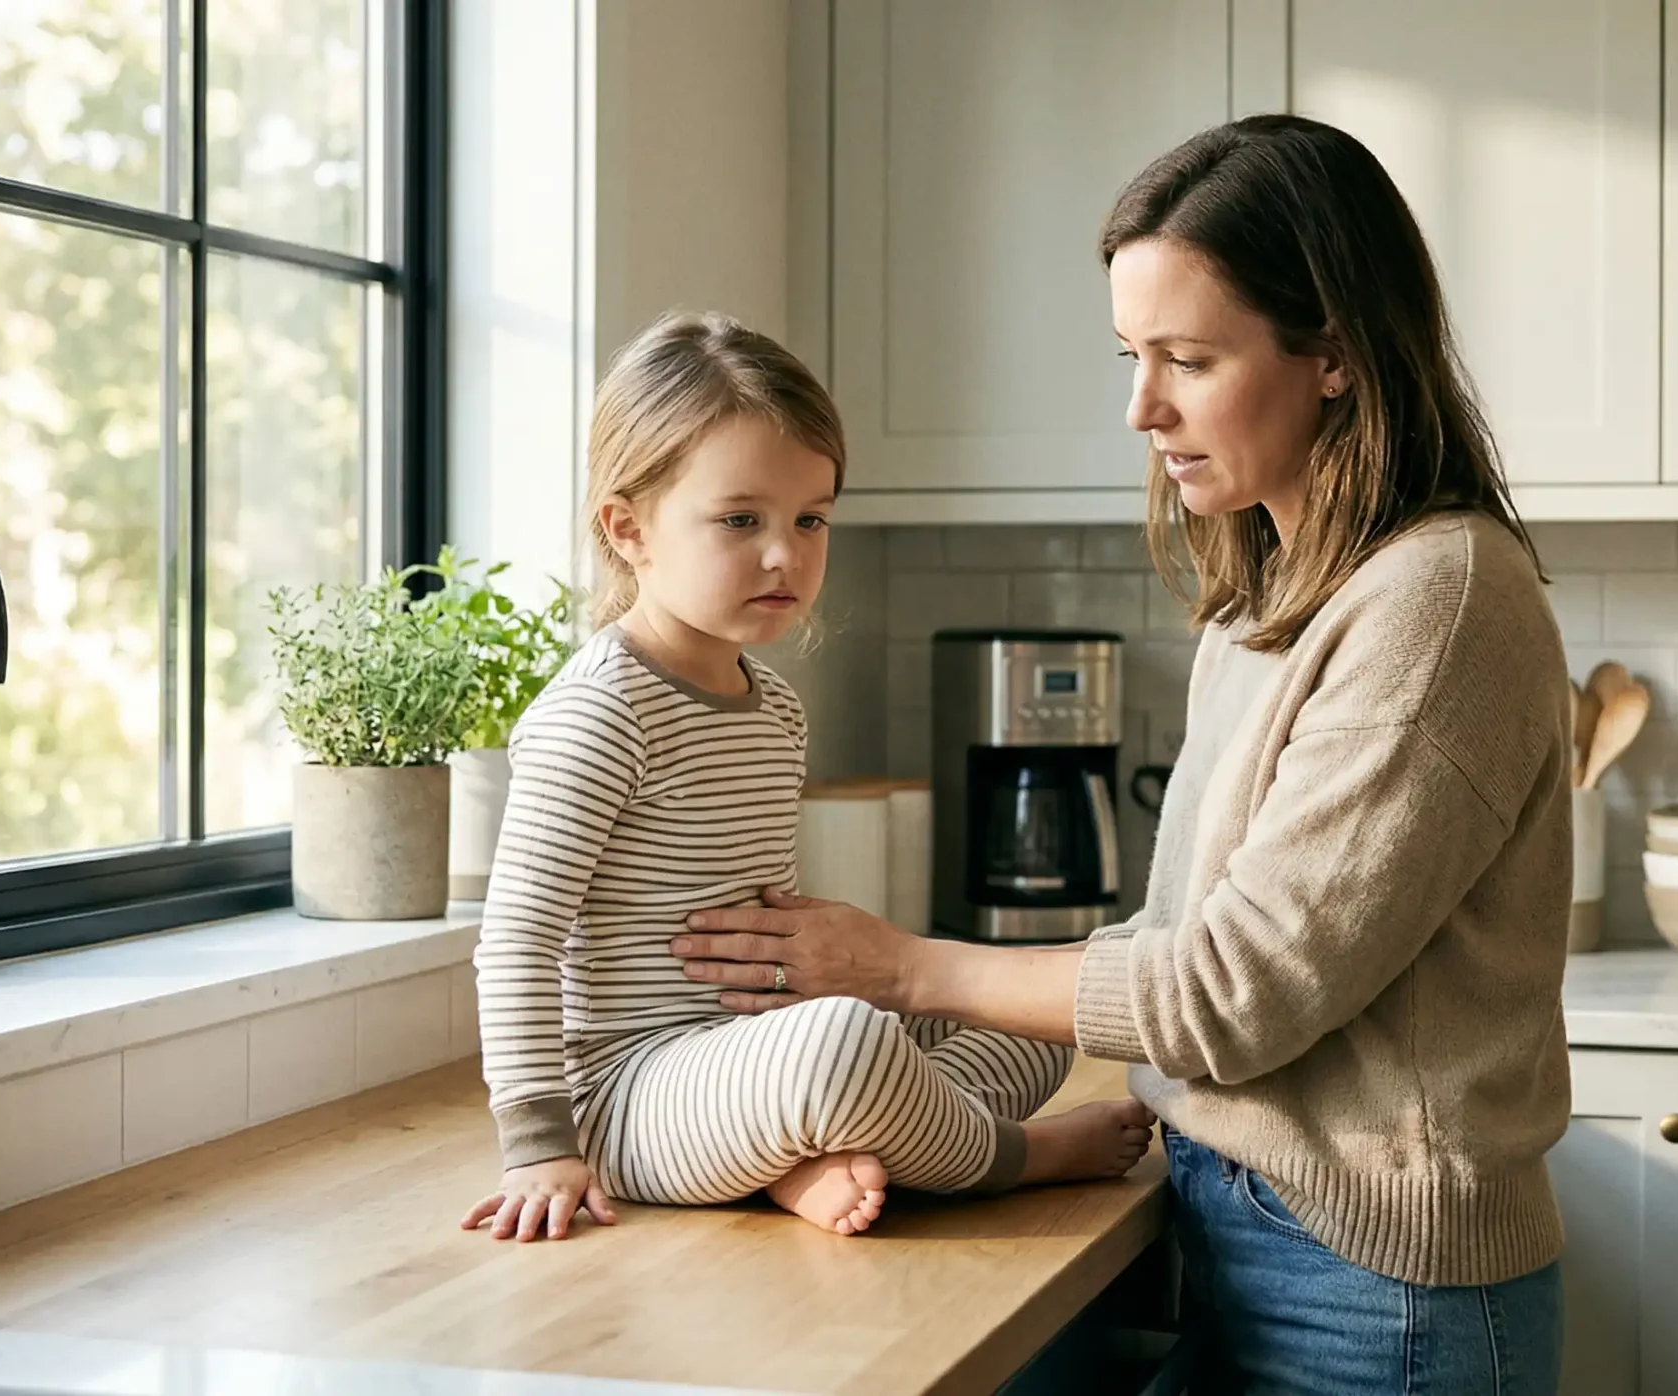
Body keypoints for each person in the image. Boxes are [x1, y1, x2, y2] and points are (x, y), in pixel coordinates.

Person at [670, 116, 1572, 1394]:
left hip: (1379, 1297)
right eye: (1130, 355)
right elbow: (1171, 934)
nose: (1140, 407)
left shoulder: (1439, 601)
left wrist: (900, 968)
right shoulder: (1271, 586)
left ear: (1336, 354)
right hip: (1246, 1231)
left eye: (1188, 360)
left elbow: (1227, 994)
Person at [458, 312, 1155, 1244]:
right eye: (741, 520)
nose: (786, 553)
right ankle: (1010, 1159)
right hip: (629, 1098)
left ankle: (814, 1156)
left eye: (811, 518)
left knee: (1030, 1015)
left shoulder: (774, 706)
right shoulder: (600, 712)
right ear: (629, 528)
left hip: (754, 1064)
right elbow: (515, 944)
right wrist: (539, 1143)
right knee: (845, 1047)